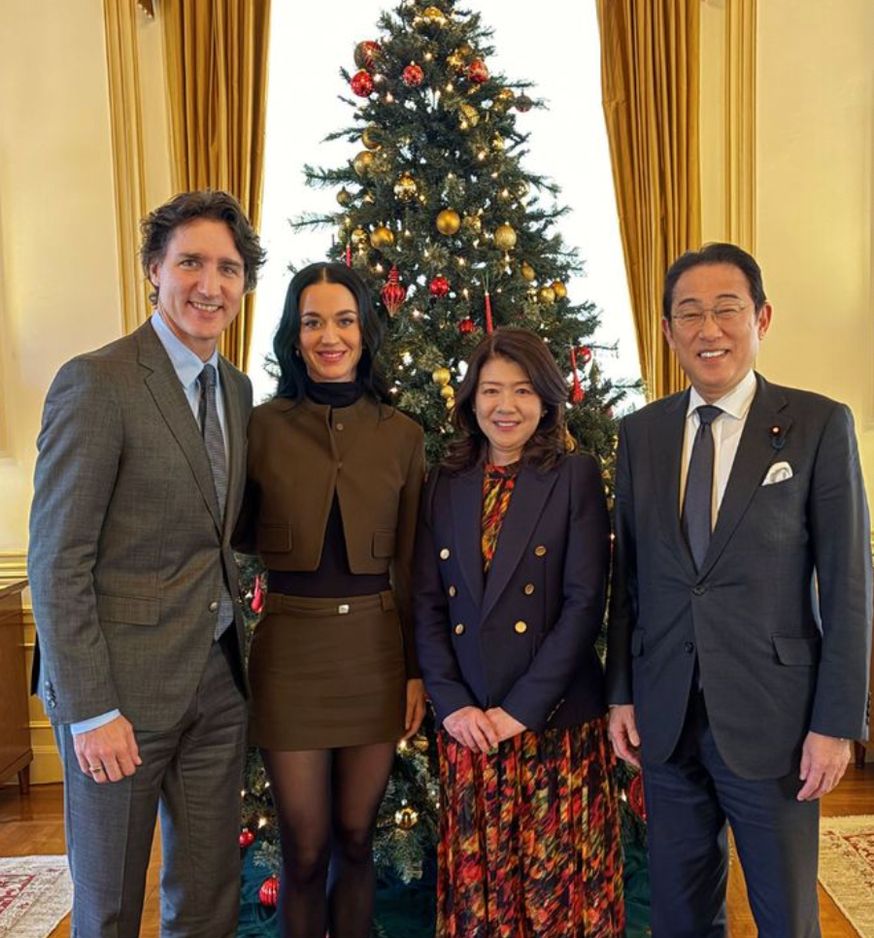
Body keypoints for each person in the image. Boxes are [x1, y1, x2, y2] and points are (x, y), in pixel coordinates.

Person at [606, 242, 873, 938]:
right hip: (666, 718)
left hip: (775, 722)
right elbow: (628, 579)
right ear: (668, 331)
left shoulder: (818, 424)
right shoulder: (640, 434)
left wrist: (836, 724)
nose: (709, 329)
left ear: (761, 319)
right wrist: (621, 694)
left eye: (726, 309)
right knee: (681, 917)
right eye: (689, 314)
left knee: (786, 918)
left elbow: (848, 585)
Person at [27, 189, 265, 936]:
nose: (209, 285)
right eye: (191, 262)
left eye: (228, 269)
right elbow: (58, 559)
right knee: (109, 907)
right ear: (154, 270)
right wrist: (92, 710)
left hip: (217, 687)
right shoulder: (98, 382)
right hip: (118, 696)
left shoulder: (236, 390)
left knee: (207, 899)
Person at [234, 261, 426, 938]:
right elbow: (233, 533)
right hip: (290, 654)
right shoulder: (259, 427)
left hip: (375, 655)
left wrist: (414, 670)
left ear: (365, 331)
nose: (329, 336)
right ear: (294, 334)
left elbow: (411, 566)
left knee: (355, 837)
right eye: (312, 321)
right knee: (306, 848)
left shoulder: (403, 434)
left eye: (344, 320)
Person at [414, 327, 624, 937]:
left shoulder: (574, 475)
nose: (506, 406)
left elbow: (584, 605)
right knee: (485, 903)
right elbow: (427, 603)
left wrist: (519, 712)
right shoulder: (444, 481)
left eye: (523, 390)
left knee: (557, 900)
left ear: (547, 399)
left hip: (553, 729)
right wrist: (453, 706)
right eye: (491, 390)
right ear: (471, 400)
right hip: (471, 732)